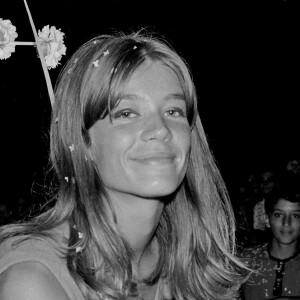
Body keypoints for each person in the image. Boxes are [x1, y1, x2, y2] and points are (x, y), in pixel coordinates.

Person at [0, 30, 247, 300]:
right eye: (127, 113)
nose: (160, 129)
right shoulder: (34, 281)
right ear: (83, 142)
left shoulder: (194, 267)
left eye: (173, 111)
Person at [240, 183, 300, 299]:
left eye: (296, 215)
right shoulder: (245, 262)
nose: (286, 223)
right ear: (267, 220)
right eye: (278, 214)